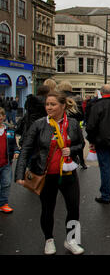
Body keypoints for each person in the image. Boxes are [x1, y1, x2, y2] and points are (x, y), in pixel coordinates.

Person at [15, 90, 85, 255]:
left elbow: (81, 144)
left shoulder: (73, 123)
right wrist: (19, 174)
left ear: (62, 106)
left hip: (68, 174)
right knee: (47, 209)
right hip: (46, 174)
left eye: (53, 104)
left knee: (73, 208)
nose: (49, 107)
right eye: (47, 104)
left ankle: (71, 240)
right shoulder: (39, 124)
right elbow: (26, 148)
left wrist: (71, 149)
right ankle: (49, 240)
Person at [86, 84, 110, 204]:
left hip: (102, 141)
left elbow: (91, 126)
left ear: (101, 93)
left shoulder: (97, 106)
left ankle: (105, 195)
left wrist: (92, 140)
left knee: (105, 168)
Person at [0, 107, 20, 214]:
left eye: (0, 115)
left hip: (6, 163)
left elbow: (13, 144)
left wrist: (16, 151)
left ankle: (3, 204)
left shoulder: (9, 130)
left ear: (3, 117)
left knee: (6, 183)